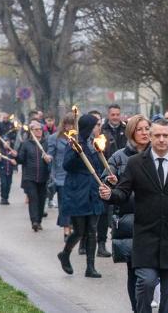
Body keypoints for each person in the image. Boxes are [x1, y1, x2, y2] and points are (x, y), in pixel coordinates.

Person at [100, 118, 168, 313]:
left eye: (165, 135)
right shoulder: (136, 163)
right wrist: (110, 194)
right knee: (145, 283)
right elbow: (123, 192)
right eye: (157, 135)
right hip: (146, 236)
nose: (161, 139)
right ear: (151, 137)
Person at [105, 114, 151, 312]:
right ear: (131, 132)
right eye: (139, 129)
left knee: (154, 271)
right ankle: (138, 308)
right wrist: (111, 182)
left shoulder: (159, 153)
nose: (144, 133)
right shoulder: (118, 157)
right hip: (129, 220)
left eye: (146, 129)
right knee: (134, 271)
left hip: (155, 218)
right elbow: (105, 184)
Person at [57, 114, 106, 278]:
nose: (98, 128)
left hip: (93, 192)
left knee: (92, 230)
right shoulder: (75, 143)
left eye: (99, 125)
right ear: (89, 128)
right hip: (78, 192)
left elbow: (98, 167)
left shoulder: (95, 144)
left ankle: (90, 267)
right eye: (96, 125)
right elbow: (66, 165)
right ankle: (65, 254)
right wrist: (77, 153)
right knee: (79, 231)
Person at [98, 103, 126, 258]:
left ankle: (118, 244)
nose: (115, 117)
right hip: (107, 173)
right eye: (113, 114)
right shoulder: (102, 131)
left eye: (117, 114)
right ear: (108, 115)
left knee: (120, 213)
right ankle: (101, 244)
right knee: (104, 212)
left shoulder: (126, 130)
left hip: (123, 175)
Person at [17, 120, 52, 231]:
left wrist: (49, 158)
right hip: (30, 177)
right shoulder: (26, 144)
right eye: (36, 129)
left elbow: (52, 157)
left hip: (43, 176)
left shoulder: (47, 143)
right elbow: (21, 160)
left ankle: (39, 220)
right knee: (33, 199)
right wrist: (16, 155)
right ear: (31, 131)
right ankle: (34, 221)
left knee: (42, 199)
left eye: (40, 129)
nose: (39, 131)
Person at [48, 114, 75, 238]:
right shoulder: (54, 138)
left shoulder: (78, 138)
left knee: (74, 203)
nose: (68, 126)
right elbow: (50, 154)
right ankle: (66, 229)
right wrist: (48, 157)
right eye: (66, 124)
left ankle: (73, 225)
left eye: (71, 124)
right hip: (61, 176)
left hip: (75, 176)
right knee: (64, 203)